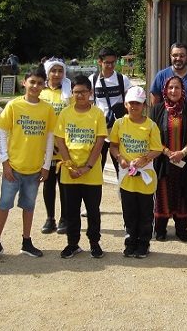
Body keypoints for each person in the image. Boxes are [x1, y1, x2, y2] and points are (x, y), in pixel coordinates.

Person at [0, 67, 56, 265]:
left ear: (44, 85)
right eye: (32, 82)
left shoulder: (47, 109)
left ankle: (26, 241)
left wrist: (46, 165)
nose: (35, 86)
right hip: (13, 168)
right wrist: (5, 161)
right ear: (24, 82)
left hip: (34, 169)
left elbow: (50, 138)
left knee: (29, 206)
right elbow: (2, 133)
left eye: (40, 83)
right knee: (4, 205)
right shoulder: (14, 105)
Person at [54, 75, 108, 259]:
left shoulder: (97, 114)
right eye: (76, 92)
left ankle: (94, 242)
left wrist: (87, 167)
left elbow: (100, 140)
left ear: (90, 93)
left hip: (91, 172)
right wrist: (69, 165)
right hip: (69, 172)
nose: (79, 96)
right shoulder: (65, 113)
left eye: (83, 92)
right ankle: (72, 243)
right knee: (71, 210)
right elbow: (60, 140)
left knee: (93, 210)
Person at [109, 86, 163, 259]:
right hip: (127, 174)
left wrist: (144, 158)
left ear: (144, 105)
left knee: (145, 212)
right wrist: (120, 159)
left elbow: (157, 149)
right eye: (131, 103)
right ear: (126, 104)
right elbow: (113, 146)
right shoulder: (119, 123)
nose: (134, 107)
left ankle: (144, 242)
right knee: (129, 211)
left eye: (138, 104)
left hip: (145, 175)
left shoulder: (151, 125)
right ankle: (130, 241)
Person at [150, 76, 187, 241]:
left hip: (185, 162)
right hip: (163, 162)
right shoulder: (157, 110)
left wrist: (183, 152)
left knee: (183, 194)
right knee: (162, 194)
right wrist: (167, 152)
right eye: (170, 88)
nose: (173, 91)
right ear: (165, 90)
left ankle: (181, 230)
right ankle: (160, 230)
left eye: (177, 88)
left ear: (183, 90)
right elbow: (152, 135)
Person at [40, 58, 72, 235]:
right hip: (46, 145)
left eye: (60, 71)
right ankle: (49, 217)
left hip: (64, 144)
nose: (57, 74)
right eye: (54, 71)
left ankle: (64, 217)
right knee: (48, 182)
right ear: (48, 72)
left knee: (64, 183)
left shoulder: (68, 92)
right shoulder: (42, 92)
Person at [89, 47, 131, 172]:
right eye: (107, 62)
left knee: (121, 166)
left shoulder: (122, 79)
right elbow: (90, 103)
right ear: (99, 62)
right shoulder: (92, 79)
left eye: (113, 62)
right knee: (97, 167)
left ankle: (122, 190)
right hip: (100, 128)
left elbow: (129, 101)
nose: (110, 65)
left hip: (118, 128)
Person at [150, 43, 187, 113]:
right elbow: (155, 103)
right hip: (167, 121)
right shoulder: (161, 76)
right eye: (175, 55)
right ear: (170, 56)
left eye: (182, 56)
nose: (178, 58)